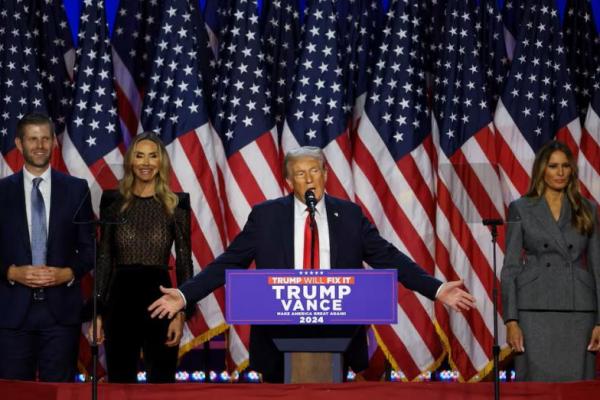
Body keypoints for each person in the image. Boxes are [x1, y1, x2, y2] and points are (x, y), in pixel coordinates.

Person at [149, 146, 475, 382]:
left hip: (337, 333)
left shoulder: (348, 215)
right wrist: (184, 295)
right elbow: (228, 262)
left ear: (326, 174)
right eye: (300, 173)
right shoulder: (266, 216)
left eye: (315, 170)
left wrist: (436, 288)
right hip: (278, 334)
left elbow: (388, 256)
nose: (309, 179)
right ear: (289, 181)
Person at [90, 132, 193, 383]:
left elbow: (183, 261)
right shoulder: (113, 201)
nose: (146, 163)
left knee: (161, 381)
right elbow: (104, 258)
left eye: (152, 156)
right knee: (120, 379)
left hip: (162, 300)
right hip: (120, 299)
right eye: (139, 156)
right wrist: (98, 313)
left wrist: (180, 314)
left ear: (161, 162)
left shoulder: (176, 203)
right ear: (131, 162)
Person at [0, 113, 94, 381]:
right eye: (33, 139)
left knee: (59, 393)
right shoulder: (2, 192)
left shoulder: (77, 189)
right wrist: (11, 272)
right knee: (15, 395)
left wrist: (68, 273)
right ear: (19, 144)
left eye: (45, 138)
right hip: (11, 314)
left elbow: (90, 249)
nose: (40, 145)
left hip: (60, 315)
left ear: (54, 142)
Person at [501, 140, 600, 381]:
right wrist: (511, 320)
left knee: (576, 389)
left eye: (565, 166)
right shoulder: (521, 208)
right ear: (542, 170)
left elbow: (598, 266)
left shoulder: (588, 209)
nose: (560, 172)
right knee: (535, 387)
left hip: (579, 310)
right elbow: (511, 268)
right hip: (533, 310)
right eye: (553, 166)